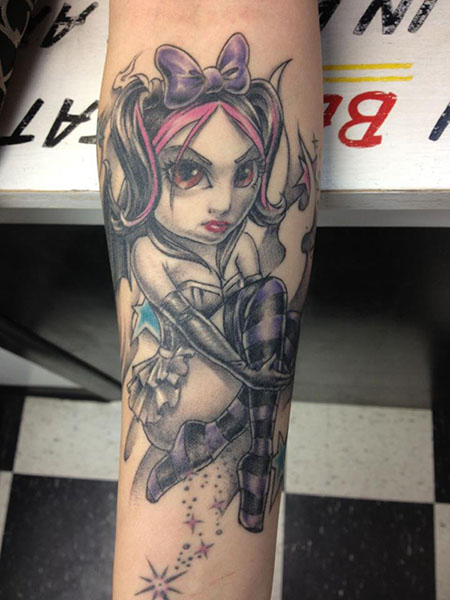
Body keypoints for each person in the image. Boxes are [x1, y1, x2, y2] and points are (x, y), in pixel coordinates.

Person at [98, 2, 322, 598]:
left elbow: (262, 301)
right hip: (178, 382)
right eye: (190, 174)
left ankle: (238, 446)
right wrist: (252, 371)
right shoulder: (155, 256)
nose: (224, 203)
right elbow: (193, 14)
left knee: (271, 297)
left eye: (243, 175)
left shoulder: (235, 243)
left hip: (233, 377)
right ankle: (235, 442)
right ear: (148, 172)